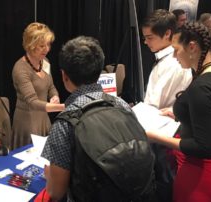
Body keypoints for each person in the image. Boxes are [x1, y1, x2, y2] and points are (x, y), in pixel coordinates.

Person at [41, 36, 152, 201]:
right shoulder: (121, 104)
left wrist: (49, 175)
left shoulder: (65, 123)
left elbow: (56, 192)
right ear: (99, 72)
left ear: (64, 75)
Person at [146, 21, 211, 202]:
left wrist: (155, 137)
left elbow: (204, 147)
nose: (175, 56)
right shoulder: (208, 75)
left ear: (192, 47)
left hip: (199, 173)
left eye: (176, 50)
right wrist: (182, 113)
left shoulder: (202, 86)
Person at [141, 9, 192, 201]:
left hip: (164, 132)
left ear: (168, 34)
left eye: (149, 37)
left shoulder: (174, 63)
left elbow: (156, 103)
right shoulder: (163, 59)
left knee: (164, 181)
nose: (145, 42)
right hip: (160, 128)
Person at [12, 22, 64, 149]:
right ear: (30, 45)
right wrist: (62, 107)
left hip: (43, 119)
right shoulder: (21, 69)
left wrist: (55, 96)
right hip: (27, 121)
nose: (47, 49)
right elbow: (32, 102)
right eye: (41, 46)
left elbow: (51, 86)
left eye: (48, 44)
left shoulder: (45, 62)